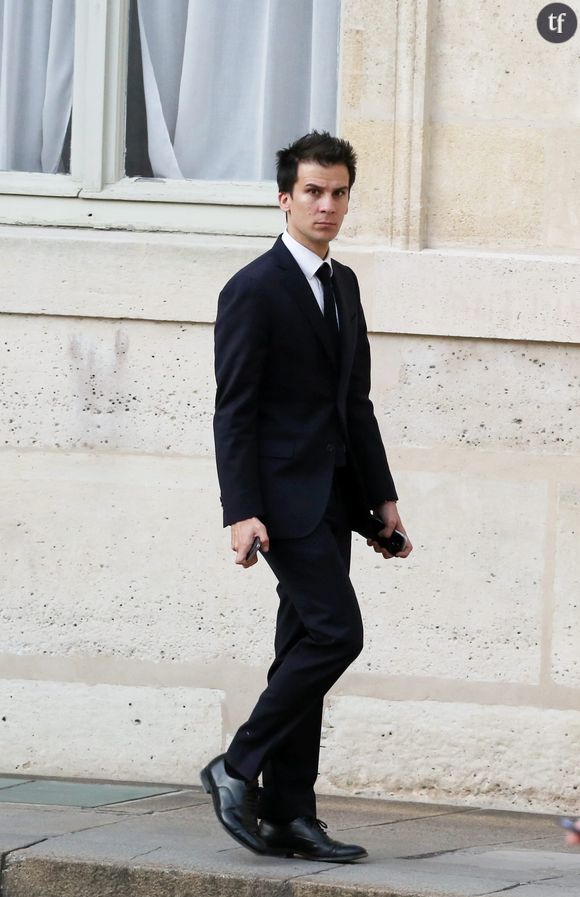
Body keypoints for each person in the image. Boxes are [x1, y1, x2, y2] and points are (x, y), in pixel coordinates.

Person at [200, 131, 412, 863]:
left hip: (333, 502)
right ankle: (236, 764)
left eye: (339, 192)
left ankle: (290, 813)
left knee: (302, 647)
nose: (327, 205)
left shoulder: (343, 284)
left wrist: (381, 500)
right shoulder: (254, 287)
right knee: (335, 634)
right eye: (314, 192)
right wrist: (240, 510)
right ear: (285, 197)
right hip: (279, 503)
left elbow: (355, 402)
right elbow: (236, 410)